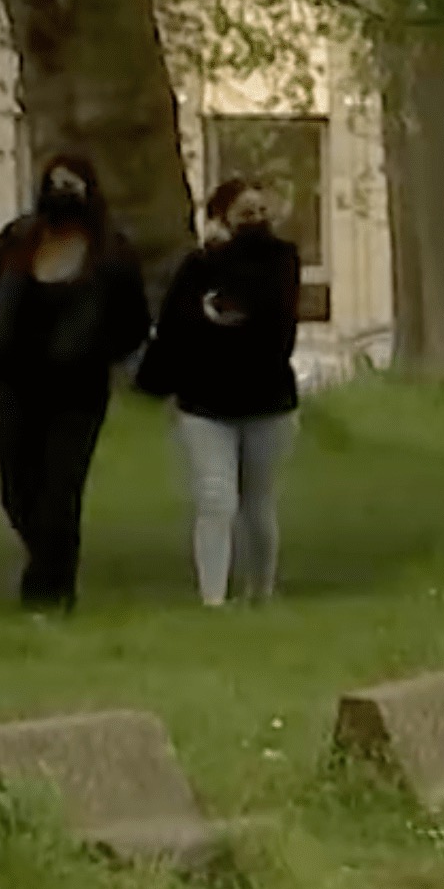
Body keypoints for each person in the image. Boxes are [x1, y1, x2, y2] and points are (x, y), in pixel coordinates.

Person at [0, 154, 150, 611]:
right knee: (16, 493)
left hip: (77, 392)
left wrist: (101, 348)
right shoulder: (18, 240)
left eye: (73, 184)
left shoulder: (111, 252)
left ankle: (50, 593)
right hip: (16, 385)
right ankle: (46, 567)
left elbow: (134, 319)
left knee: (60, 492)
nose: (63, 193)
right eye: (55, 183)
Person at [138, 176, 305, 606]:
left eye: (261, 213)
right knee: (215, 499)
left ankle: (261, 593)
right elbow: (175, 329)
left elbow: (275, 326)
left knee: (259, 503)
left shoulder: (283, 260)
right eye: (244, 214)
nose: (255, 221)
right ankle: (213, 599)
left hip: (268, 404)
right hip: (204, 405)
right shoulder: (197, 268)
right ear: (221, 219)